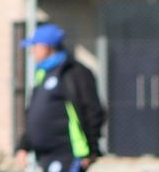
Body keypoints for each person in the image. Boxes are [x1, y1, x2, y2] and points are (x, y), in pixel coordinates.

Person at [16, 24, 106, 172]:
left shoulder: (74, 73)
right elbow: (35, 115)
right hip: (45, 156)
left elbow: (93, 110)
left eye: (35, 46)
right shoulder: (42, 74)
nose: (32, 52)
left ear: (46, 47)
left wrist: (91, 149)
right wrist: (24, 146)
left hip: (68, 154)